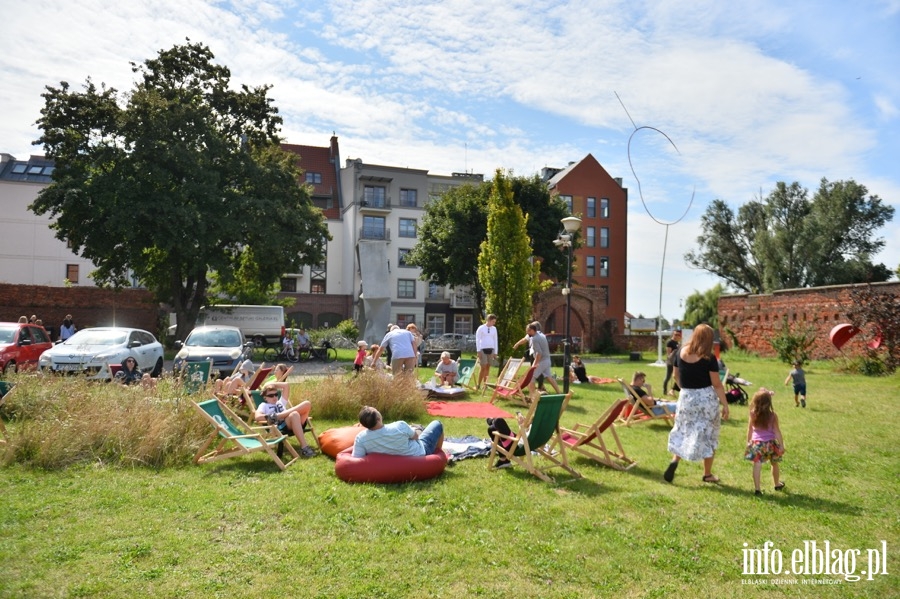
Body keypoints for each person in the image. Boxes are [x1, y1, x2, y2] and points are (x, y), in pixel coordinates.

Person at [664, 323, 729, 484]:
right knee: (708, 434)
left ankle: (675, 461)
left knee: (683, 430)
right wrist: (725, 404)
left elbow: (675, 376)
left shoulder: (680, 352)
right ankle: (707, 474)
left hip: (686, 397)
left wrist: (685, 390)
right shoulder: (709, 357)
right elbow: (717, 384)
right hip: (705, 399)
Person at [352, 406, 444, 458]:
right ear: (378, 419)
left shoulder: (361, 438)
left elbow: (357, 458)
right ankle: (439, 454)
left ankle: (416, 427)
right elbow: (416, 437)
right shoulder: (399, 426)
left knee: (414, 430)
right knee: (437, 424)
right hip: (419, 453)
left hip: (401, 452)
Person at [254, 381, 315, 457]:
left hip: (295, 423)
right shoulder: (264, 405)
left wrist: (269, 384)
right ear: (265, 397)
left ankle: (283, 414)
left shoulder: (280, 402)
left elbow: (286, 385)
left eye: (276, 395)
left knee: (307, 403)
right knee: (294, 414)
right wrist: (276, 417)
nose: (274, 397)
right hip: (280, 427)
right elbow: (257, 417)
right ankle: (304, 448)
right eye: (271, 395)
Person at [745, 388, 785, 495]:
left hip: (757, 444)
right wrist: (781, 445)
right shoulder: (772, 415)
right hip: (770, 444)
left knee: (757, 465)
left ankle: (757, 489)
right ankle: (777, 484)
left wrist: (748, 442)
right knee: (774, 464)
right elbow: (777, 431)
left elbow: (749, 429)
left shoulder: (753, 414)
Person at [524, 321, 559, 397]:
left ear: (532, 330)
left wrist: (534, 364)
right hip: (547, 360)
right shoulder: (542, 335)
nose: (527, 333)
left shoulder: (534, 339)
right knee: (549, 378)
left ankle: (532, 397)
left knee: (531, 378)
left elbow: (539, 353)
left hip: (542, 361)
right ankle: (559, 393)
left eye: (528, 331)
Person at [474, 314, 498, 390]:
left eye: (494, 322)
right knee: (483, 367)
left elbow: (495, 340)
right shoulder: (481, 328)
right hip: (482, 349)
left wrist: (495, 351)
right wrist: (478, 351)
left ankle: (485, 385)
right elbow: (477, 339)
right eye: (493, 321)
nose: (494, 323)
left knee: (488, 366)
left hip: (491, 349)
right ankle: (478, 384)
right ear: (489, 320)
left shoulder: (494, 328)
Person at [663, 330, 682, 396]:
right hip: (670, 362)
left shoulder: (677, 343)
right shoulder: (669, 342)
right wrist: (675, 351)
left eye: (678, 335)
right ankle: (665, 391)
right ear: (673, 334)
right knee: (668, 377)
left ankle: (673, 390)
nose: (677, 336)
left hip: (677, 362)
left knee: (678, 376)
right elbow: (669, 354)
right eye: (675, 334)